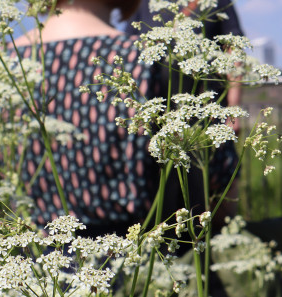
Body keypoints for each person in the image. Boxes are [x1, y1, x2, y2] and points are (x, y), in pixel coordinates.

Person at [12, 0, 160, 237]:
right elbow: (203, 173)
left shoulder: (3, 59)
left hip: (23, 253)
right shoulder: (141, 56)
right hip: (124, 252)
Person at [125, 0, 244, 228]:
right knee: (160, 191)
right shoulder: (145, 5)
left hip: (207, 113)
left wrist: (233, 107)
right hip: (160, 117)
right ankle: (167, 246)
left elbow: (234, 49)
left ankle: (209, 247)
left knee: (213, 191)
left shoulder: (218, 3)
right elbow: (131, 50)